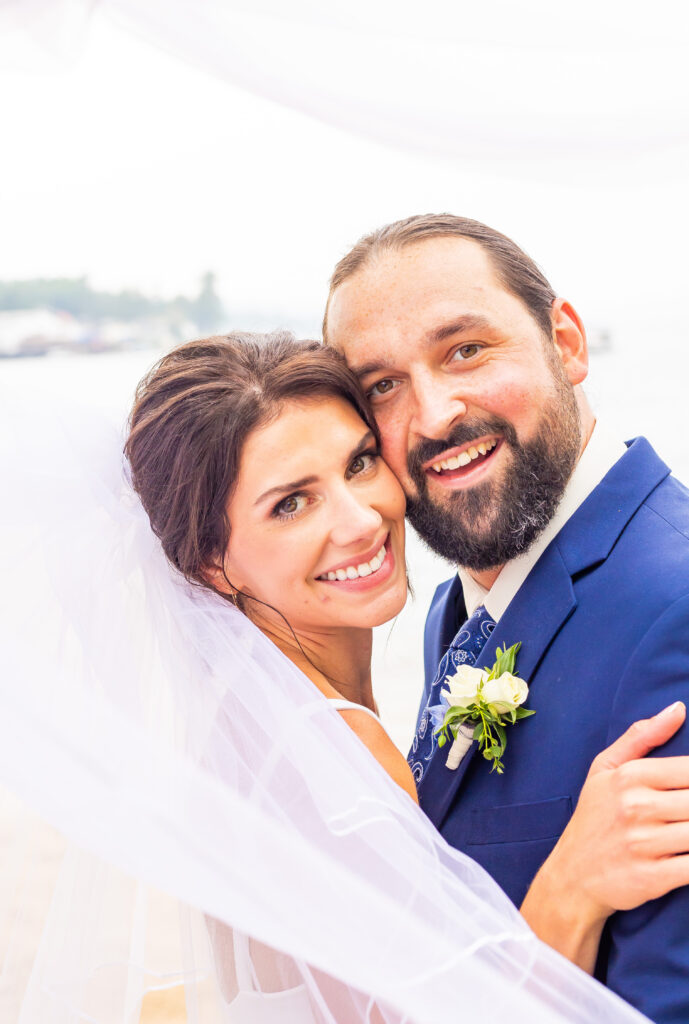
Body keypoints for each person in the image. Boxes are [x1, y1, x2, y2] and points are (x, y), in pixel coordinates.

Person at [125, 332, 689, 993]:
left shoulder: (267, 717)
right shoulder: (326, 756)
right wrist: (570, 889)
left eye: (359, 463)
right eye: (290, 503)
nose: (359, 519)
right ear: (210, 563)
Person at [323, 213, 689, 1022]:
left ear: (565, 343)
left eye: (465, 350)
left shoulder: (676, 615)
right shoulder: (457, 612)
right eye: (381, 386)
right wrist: (562, 899)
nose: (434, 413)